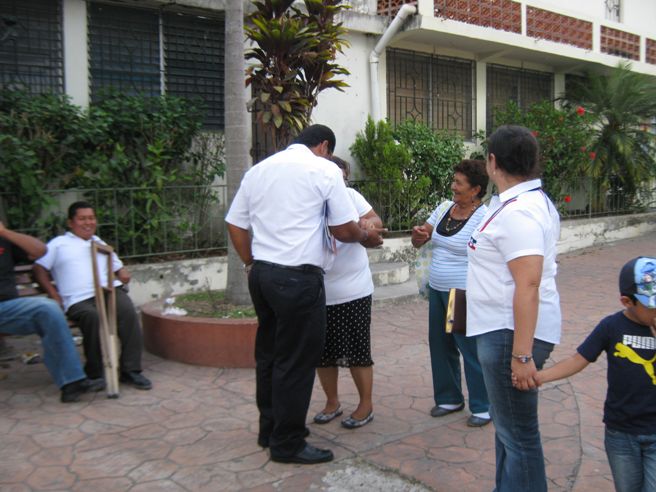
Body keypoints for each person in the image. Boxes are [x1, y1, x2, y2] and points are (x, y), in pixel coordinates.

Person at [226, 124, 385, 465]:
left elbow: (235, 224)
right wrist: (367, 237)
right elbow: (343, 229)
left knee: (270, 357)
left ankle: (269, 430)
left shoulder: (259, 170)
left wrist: (251, 262)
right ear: (324, 146)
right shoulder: (323, 170)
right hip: (298, 279)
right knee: (296, 362)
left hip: (263, 275)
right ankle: (288, 443)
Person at [466, 125, 561, 492]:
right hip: (505, 328)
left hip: (511, 333)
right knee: (509, 432)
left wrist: (521, 356)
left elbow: (528, 283)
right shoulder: (517, 203)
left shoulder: (520, 212)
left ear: (492, 162)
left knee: (518, 435)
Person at [535, 256, 656, 492]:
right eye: (651, 304)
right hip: (621, 431)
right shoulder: (611, 326)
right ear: (627, 301)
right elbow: (578, 360)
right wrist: (540, 377)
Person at [33, 202, 152, 391]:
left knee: (128, 312)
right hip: (78, 299)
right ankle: (95, 372)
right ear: (70, 223)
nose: (88, 223)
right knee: (92, 317)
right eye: (82, 219)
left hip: (107, 291)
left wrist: (122, 272)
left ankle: (130, 370)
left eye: (91, 218)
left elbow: (118, 266)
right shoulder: (59, 244)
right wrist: (53, 294)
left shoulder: (99, 242)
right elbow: (39, 268)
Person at [411, 160, 491, 427]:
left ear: (476, 189)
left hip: (462, 293)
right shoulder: (445, 207)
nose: (453, 186)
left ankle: (482, 406)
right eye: (454, 181)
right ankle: (449, 398)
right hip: (437, 289)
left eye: (459, 183)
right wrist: (418, 235)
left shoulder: (483, 217)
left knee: (468, 348)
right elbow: (420, 238)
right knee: (440, 344)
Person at [0, 221, 104, 402]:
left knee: (48, 309)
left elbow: (40, 251)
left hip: (9, 308)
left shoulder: (5, 240)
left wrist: (4, 232)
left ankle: (72, 382)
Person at [313, 156, 382, 429]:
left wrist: (369, 224)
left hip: (354, 290)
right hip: (318, 290)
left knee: (357, 351)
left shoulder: (351, 197)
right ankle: (332, 402)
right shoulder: (311, 201)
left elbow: (374, 219)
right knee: (322, 353)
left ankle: (366, 405)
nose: (339, 184)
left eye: (343, 179)